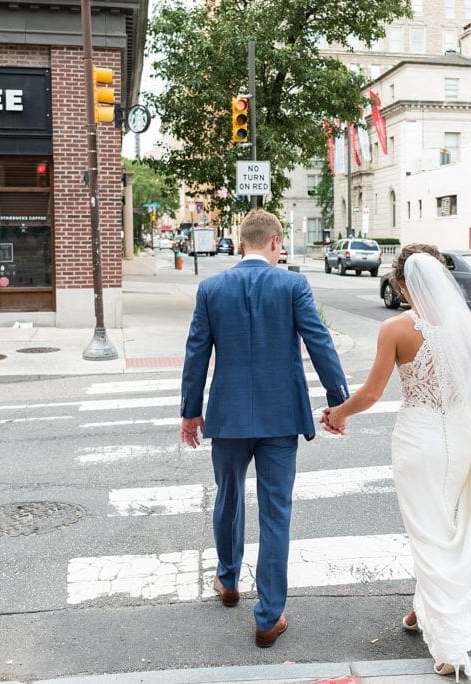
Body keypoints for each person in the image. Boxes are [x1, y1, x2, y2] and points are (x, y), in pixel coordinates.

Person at [321, 244, 471, 678]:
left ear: (402, 284)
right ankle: (420, 611)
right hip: (462, 437)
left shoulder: (396, 328)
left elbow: (373, 393)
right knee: (449, 528)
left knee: (429, 537)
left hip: (420, 441)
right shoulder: (468, 323)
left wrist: (338, 414)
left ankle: (451, 648)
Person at [179, 208, 350, 649]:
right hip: (279, 419)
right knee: (276, 513)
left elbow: (196, 352)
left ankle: (228, 580)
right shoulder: (292, 284)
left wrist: (190, 411)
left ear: (241, 244)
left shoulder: (211, 288)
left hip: (229, 416)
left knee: (229, 495)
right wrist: (338, 401)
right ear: (275, 243)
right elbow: (319, 341)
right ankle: (268, 617)